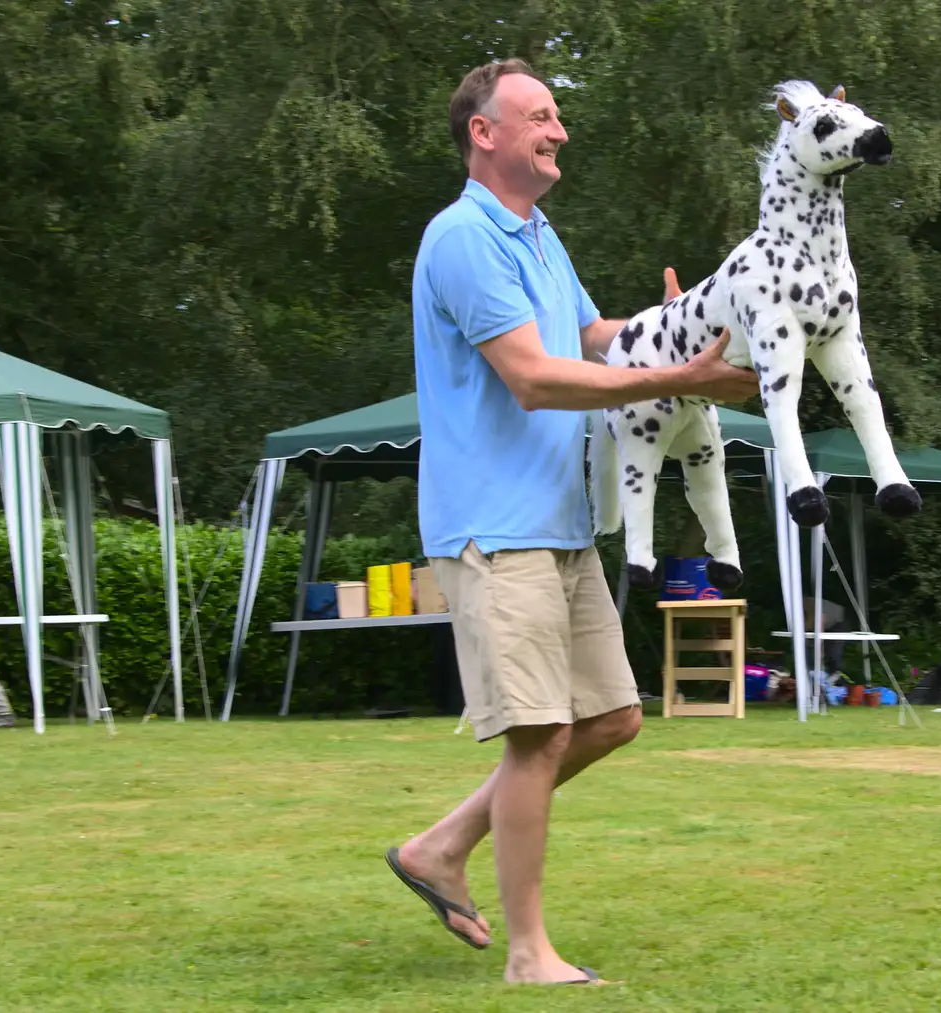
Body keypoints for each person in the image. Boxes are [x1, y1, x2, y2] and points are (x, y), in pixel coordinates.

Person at [384, 58, 758, 986]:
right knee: (539, 734)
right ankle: (527, 953)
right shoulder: (463, 237)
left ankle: (439, 846)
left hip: (561, 521)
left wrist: (673, 328)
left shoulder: (541, 236)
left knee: (614, 717)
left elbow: (589, 338)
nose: (559, 131)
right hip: (493, 526)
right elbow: (534, 376)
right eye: (540, 116)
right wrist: (679, 379)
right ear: (485, 132)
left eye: (557, 117)